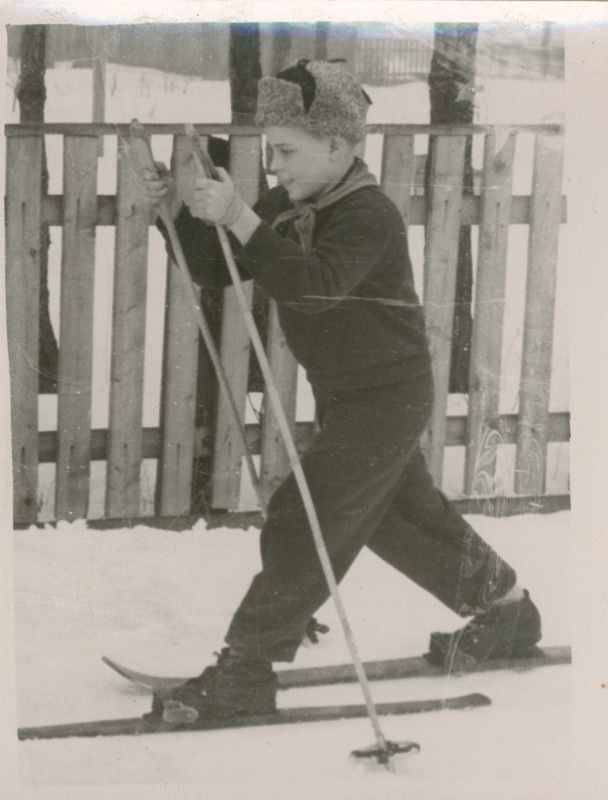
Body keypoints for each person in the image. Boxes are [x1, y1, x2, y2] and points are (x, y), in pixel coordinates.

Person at [140, 60, 542, 723]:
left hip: (388, 394)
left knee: (308, 515)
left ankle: (245, 670)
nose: (274, 166)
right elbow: (215, 267)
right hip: (354, 397)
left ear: (337, 145)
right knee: (400, 519)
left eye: (288, 151)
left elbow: (313, 285)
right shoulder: (290, 203)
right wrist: (173, 212)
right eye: (271, 151)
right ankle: (507, 614)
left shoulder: (367, 214)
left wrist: (240, 214)